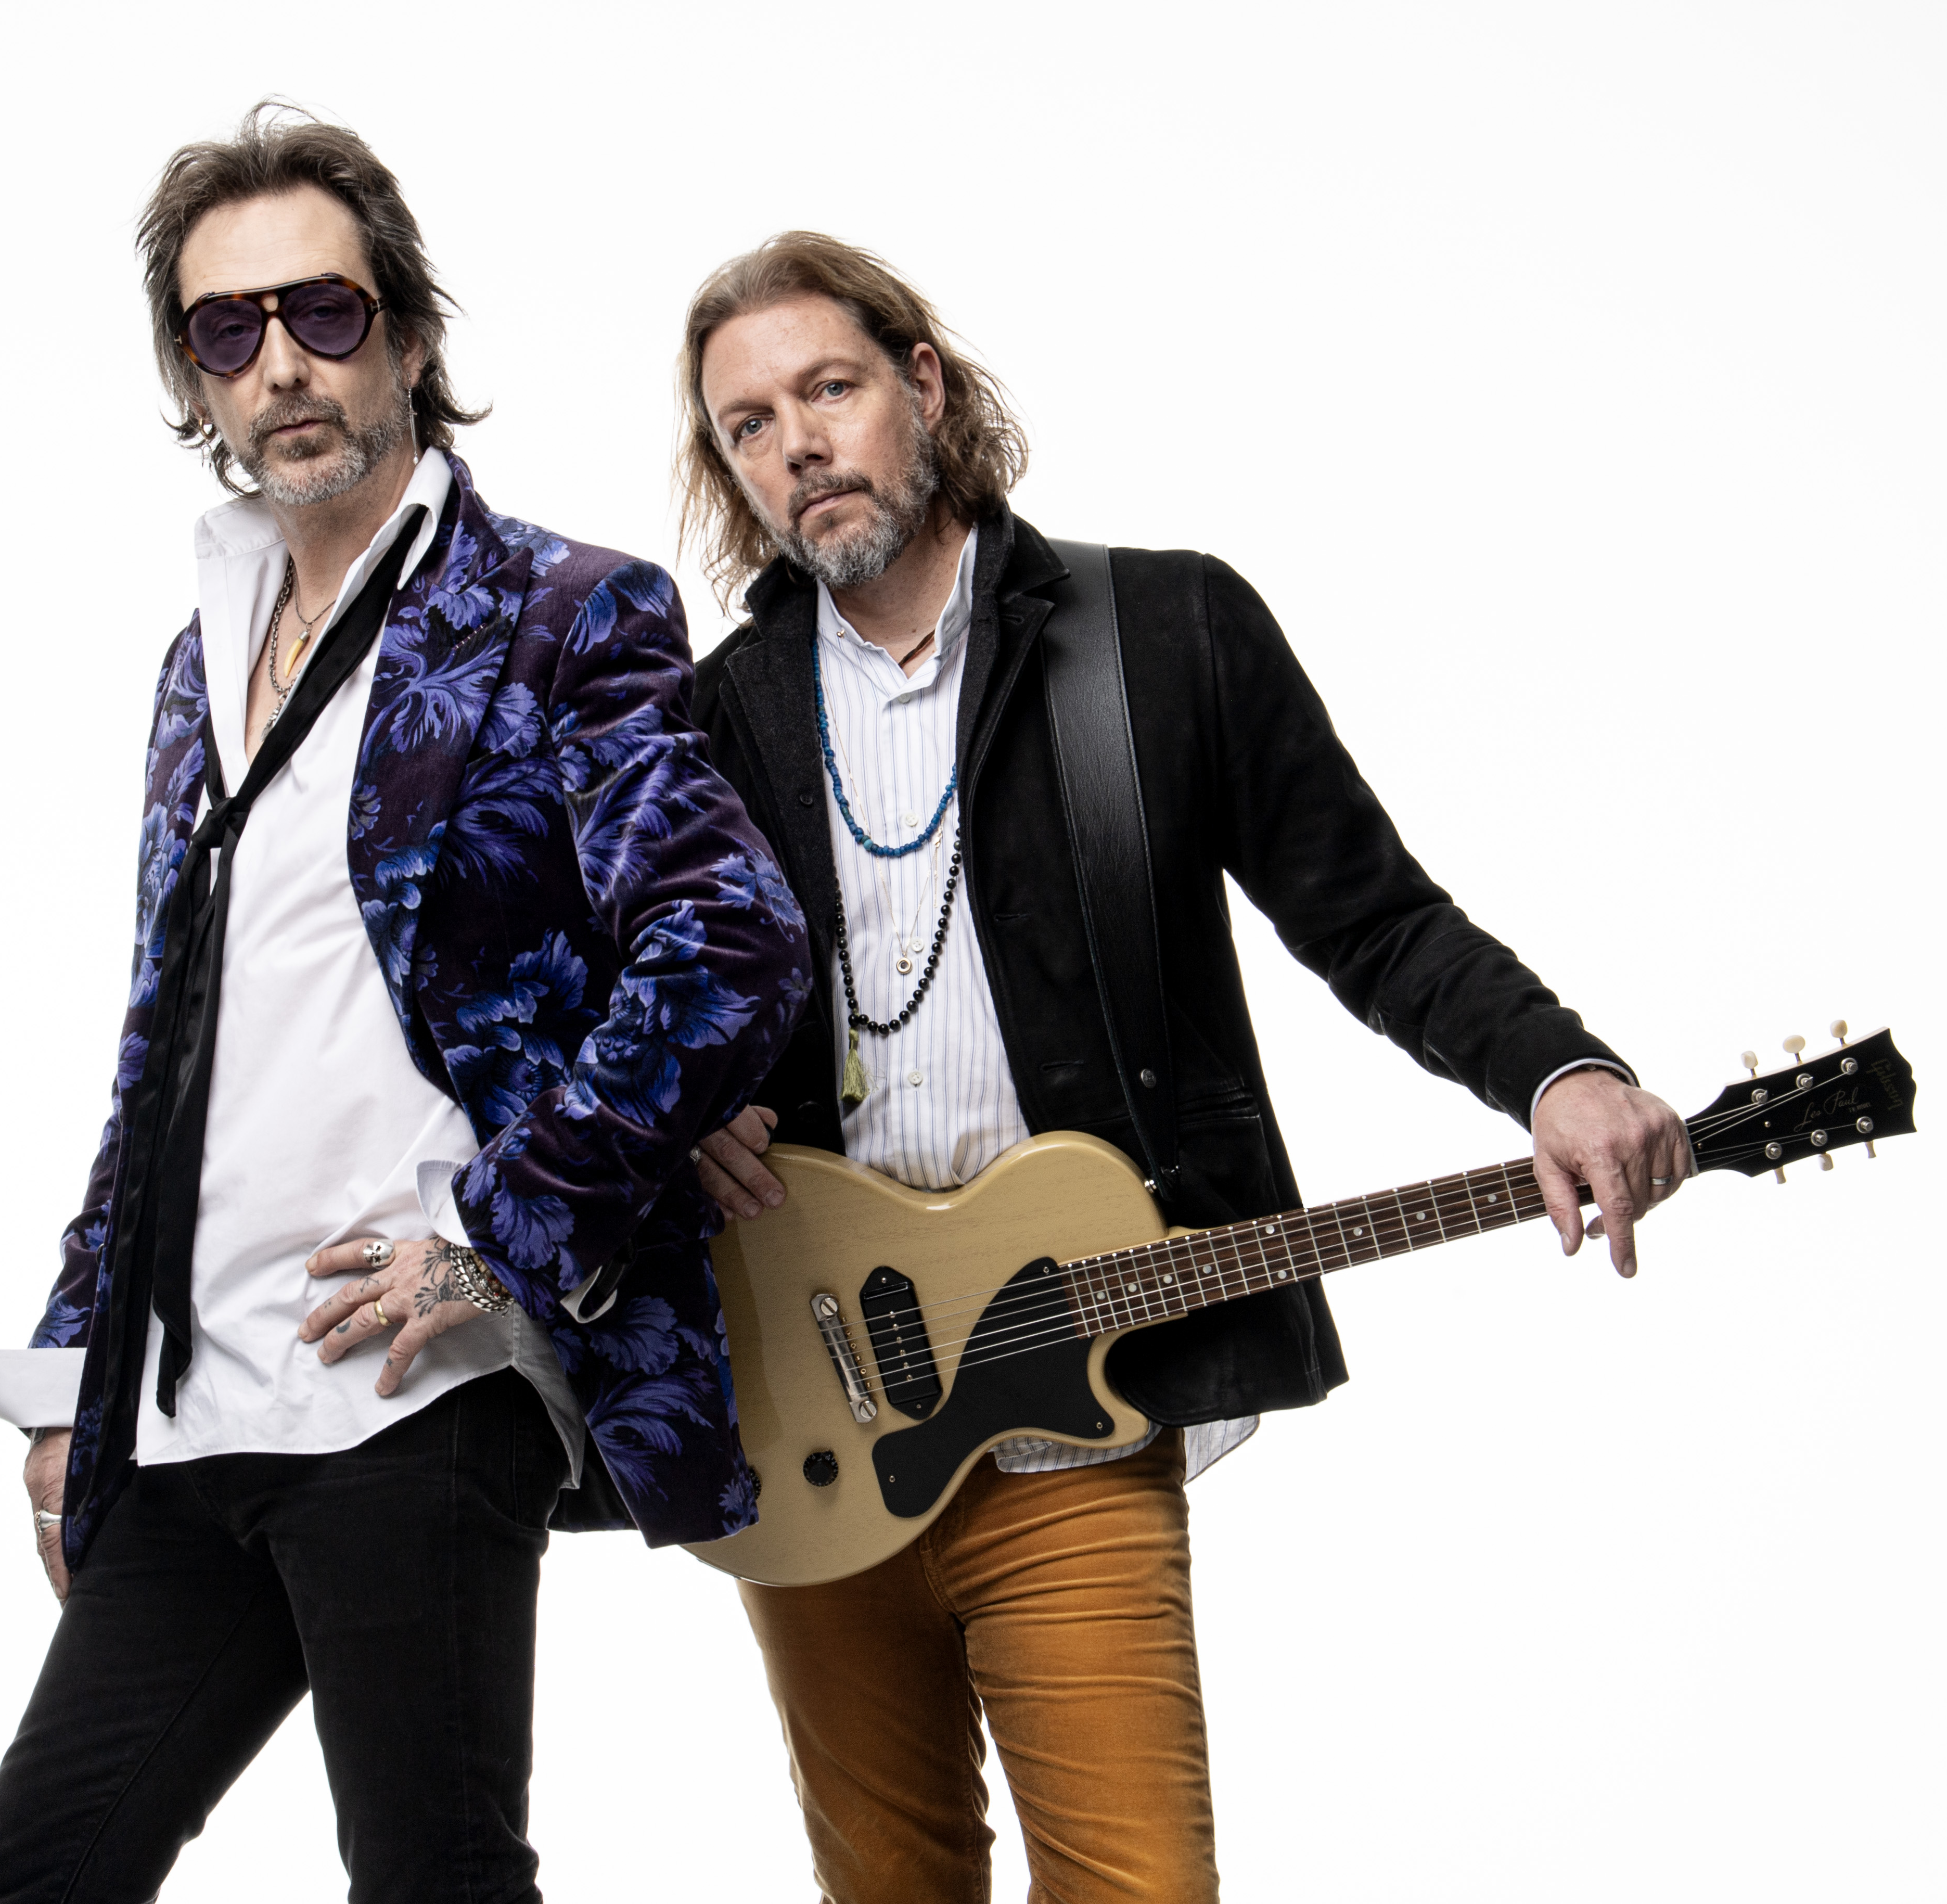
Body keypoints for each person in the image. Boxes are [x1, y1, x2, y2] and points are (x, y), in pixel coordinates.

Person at [677, 233, 1691, 1904]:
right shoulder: (709, 722)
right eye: (747, 424)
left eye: (828, 388)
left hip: (1074, 1394)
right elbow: (624, 1020)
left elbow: (1371, 916)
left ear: (922, 383)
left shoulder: (1154, 634)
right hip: (809, 1415)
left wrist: (1556, 1072)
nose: (796, 443)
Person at [0, 110, 810, 1904]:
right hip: (190, 1405)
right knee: (31, 1877)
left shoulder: (562, 612)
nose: (279, 363)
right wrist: (71, 1366)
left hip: (411, 1394)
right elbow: (166, 1043)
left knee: (432, 1881)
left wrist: (495, 1238)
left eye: (322, 313)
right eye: (226, 328)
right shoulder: (199, 661)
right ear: (191, 375)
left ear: (409, 335)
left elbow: (726, 938)